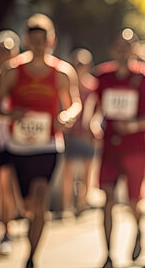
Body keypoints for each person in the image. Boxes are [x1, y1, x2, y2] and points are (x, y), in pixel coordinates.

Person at [0, 14, 82, 268]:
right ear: (26, 41)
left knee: (40, 199)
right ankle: (31, 226)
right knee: (26, 205)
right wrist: (11, 114)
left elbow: (75, 103)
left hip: (47, 145)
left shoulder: (61, 72)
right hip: (19, 147)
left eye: (42, 41)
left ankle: (31, 257)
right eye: (33, 41)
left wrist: (66, 116)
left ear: (51, 41)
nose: (37, 46)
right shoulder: (13, 71)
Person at [92, 28, 145, 268]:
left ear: (134, 49)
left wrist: (132, 125)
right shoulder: (103, 76)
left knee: (134, 201)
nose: (122, 52)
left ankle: (138, 229)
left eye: (127, 47)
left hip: (135, 148)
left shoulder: (144, 77)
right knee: (108, 199)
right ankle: (108, 255)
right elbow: (94, 112)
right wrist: (93, 125)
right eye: (118, 47)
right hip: (109, 147)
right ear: (113, 49)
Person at [0, 30, 24, 255]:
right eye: (1, 50)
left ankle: (9, 226)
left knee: (13, 188)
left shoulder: (22, 77)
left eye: (9, 50)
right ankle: (4, 229)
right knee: (0, 185)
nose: (5, 55)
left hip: (20, 140)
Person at [61, 48, 98, 217]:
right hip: (71, 134)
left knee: (87, 171)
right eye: (76, 64)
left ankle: (81, 203)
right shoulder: (68, 83)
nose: (79, 67)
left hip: (87, 134)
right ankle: (66, 206)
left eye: (82, 64)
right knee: (68, 171)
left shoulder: (93, 86)